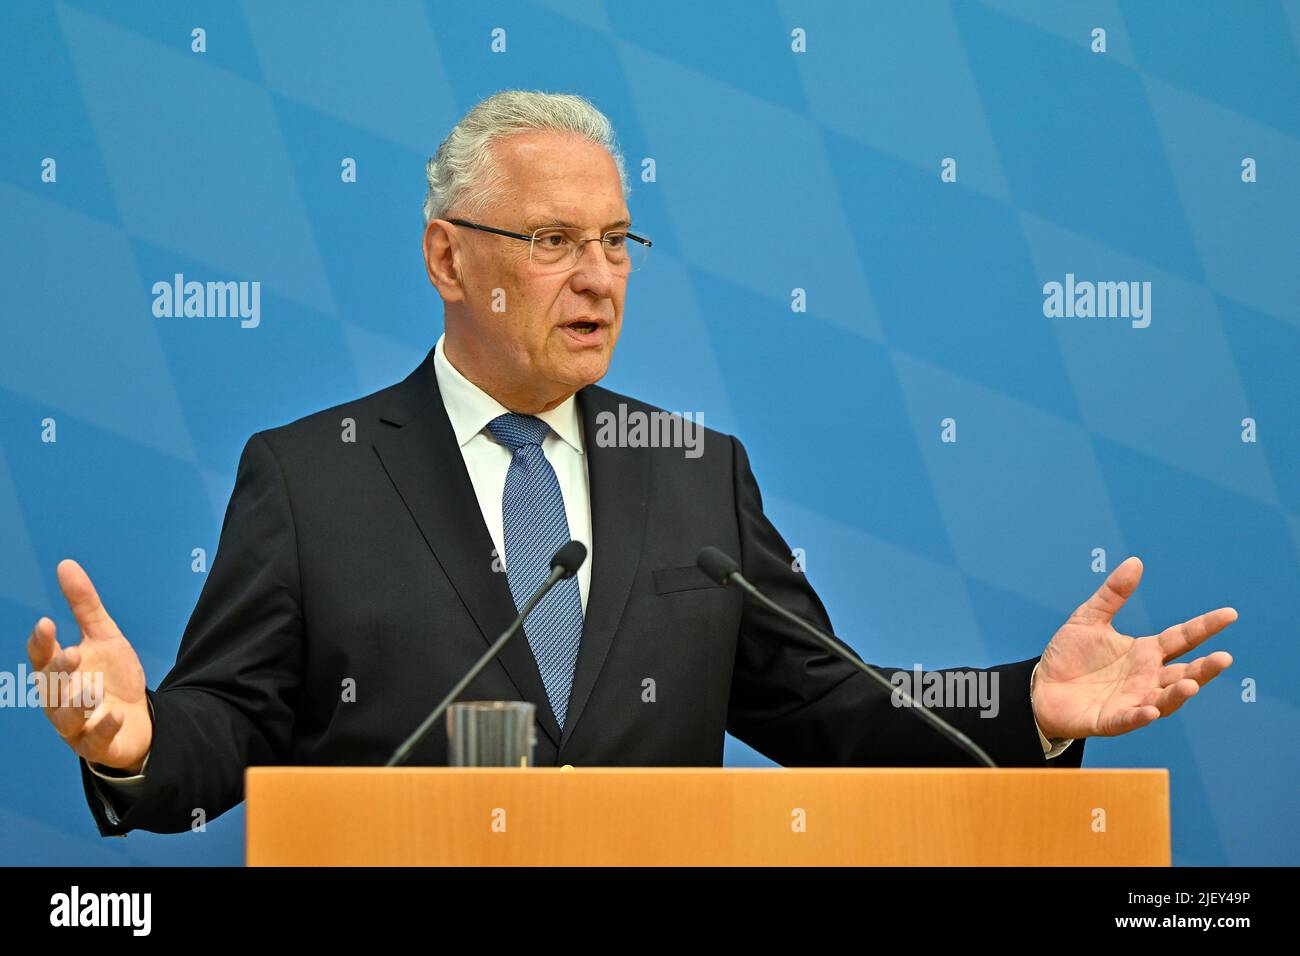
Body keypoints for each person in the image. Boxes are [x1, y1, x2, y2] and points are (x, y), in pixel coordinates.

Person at [27, 91, 1236, 837]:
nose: (599, 276)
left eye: (615, 241)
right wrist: (135, 743)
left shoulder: (692, 472)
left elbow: (831, 708)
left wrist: (1022, 702)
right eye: (552, 240)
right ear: (449, 260)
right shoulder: (312, 476)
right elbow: (225, 729)